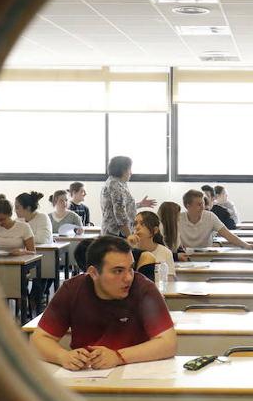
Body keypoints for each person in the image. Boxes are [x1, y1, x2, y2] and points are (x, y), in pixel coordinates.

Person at [30, 235, 176, 370]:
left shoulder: (144, 289)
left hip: (134, 372)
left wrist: (118, 356)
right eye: (118, 271)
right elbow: (39, 339)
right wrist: (63, 356)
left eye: (130, 269)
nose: (128, 278)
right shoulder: (72, 290)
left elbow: (168, 343)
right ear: (93, 273)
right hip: (86, 375)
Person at [177, 189, 253, 249]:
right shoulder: (178, 219)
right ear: (188, 206)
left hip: (206, 257)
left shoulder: (210, 216)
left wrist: (246, 245)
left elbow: (227, 235)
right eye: (199, 204)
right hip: (184, 257)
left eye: (203, 203)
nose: (203, 207)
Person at [99, 155, 155, 237]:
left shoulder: (117, 183)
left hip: (116, 232)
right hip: (117, 234)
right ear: (123, 170)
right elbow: (120, 215)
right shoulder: (115, 185)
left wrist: (140, 204)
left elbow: (122, 207)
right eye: (130, 169)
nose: (131, 173)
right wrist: (129, 236)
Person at [127, 210, 175, 281]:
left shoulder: (166, 252)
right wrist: (128, 246)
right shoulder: (129, 250)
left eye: (142, 224)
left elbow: (170, 281)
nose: (137, 227)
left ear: (155, 230)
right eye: (135, 224)